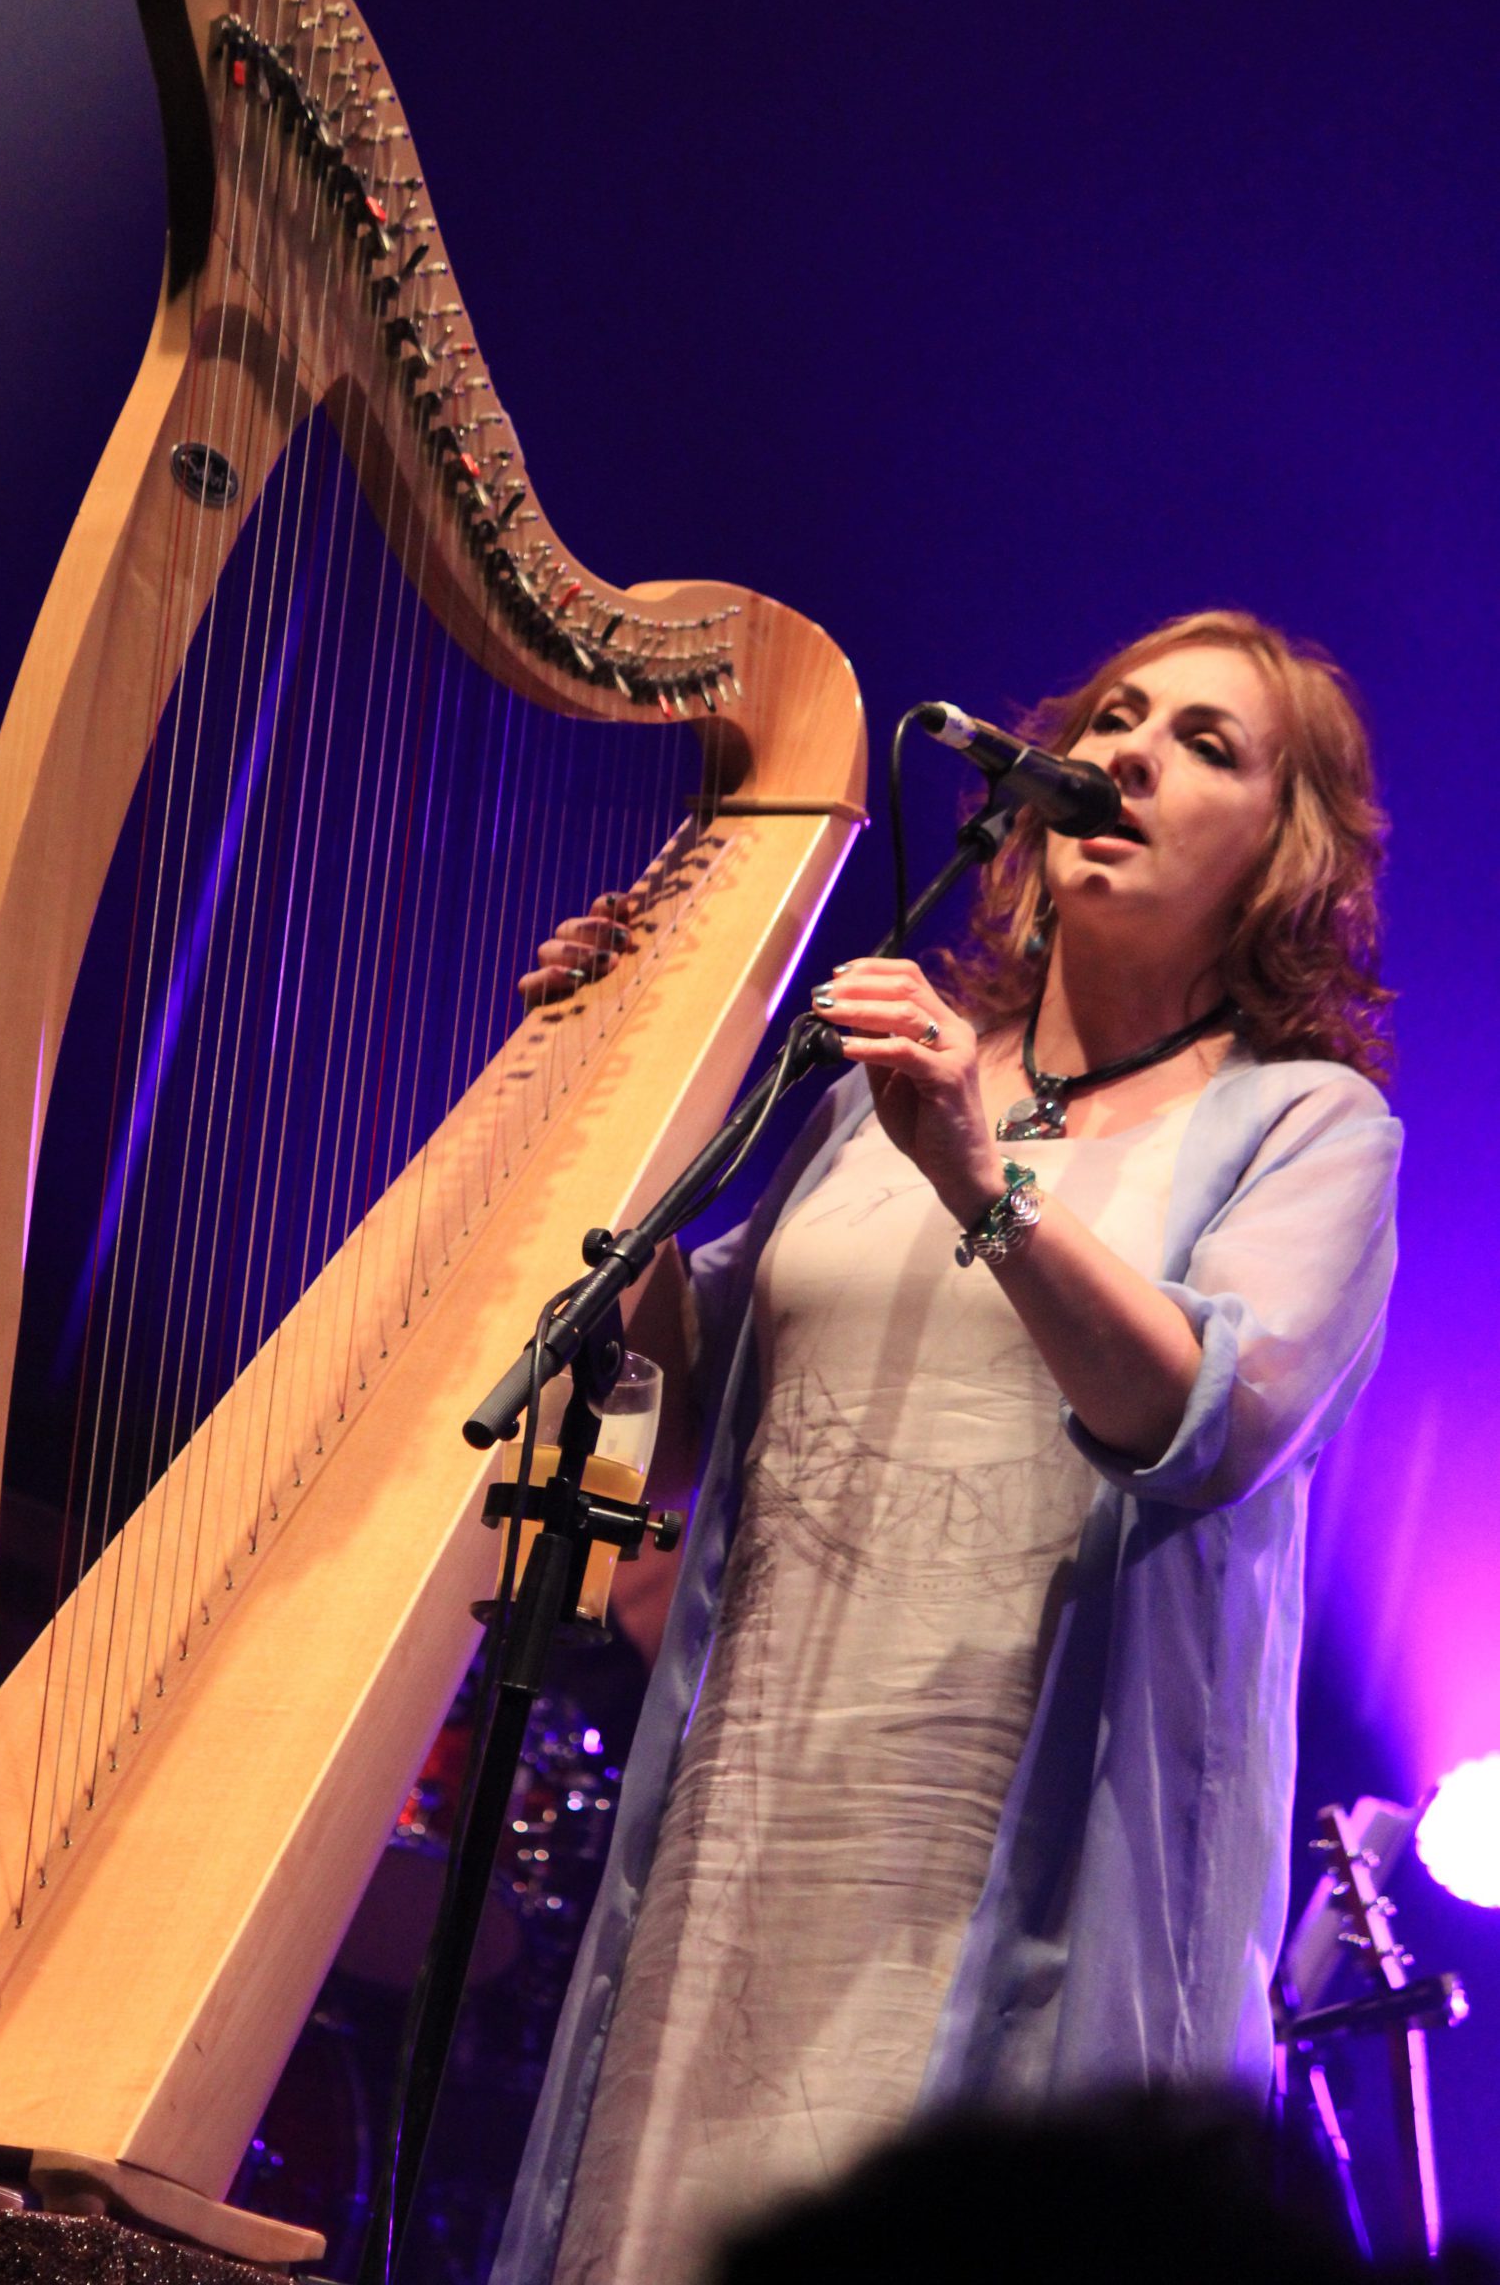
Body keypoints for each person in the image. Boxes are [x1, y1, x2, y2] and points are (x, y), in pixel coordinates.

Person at [492, 610, 1402, 2285]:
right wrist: (601, 1100)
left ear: (1284, 858)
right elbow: (680, 1428)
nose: (1128, 753)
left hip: (1022, 1884)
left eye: (1206, 744)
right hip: (745, 1826)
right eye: (1115, 714)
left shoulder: (1308, 1124)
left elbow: (1198, 1423)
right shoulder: (867, 1099)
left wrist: (986, 1182)